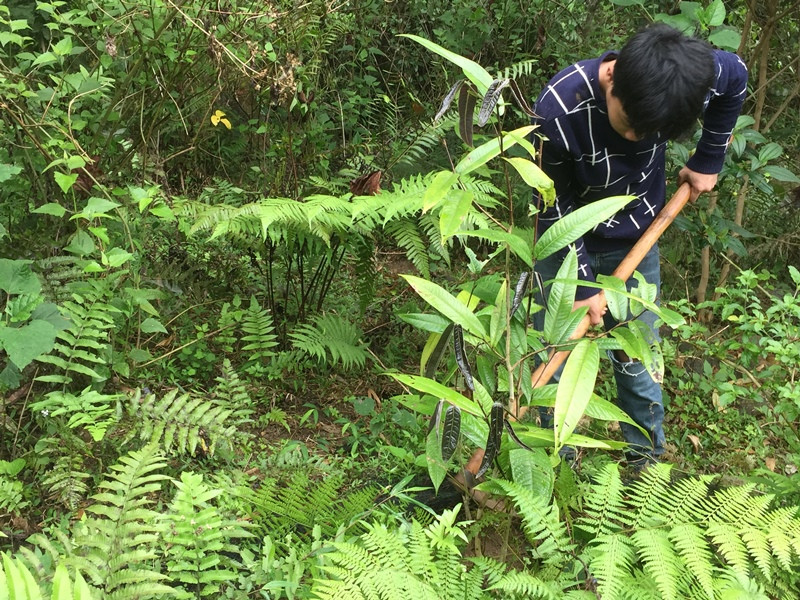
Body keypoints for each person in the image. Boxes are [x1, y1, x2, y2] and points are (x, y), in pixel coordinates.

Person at [531, 23, 748, 467]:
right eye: (630, 124)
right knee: (552, 358)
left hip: (637, 238)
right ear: (611, 78)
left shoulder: (691, 78)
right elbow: (552, 210)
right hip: (566, 246)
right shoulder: (559, 111)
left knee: (637, 362)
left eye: (652, 132)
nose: (636, 139)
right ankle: (553, 465)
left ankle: (644, 465)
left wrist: (708, 158)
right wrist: (583, 288)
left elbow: (737, 76)